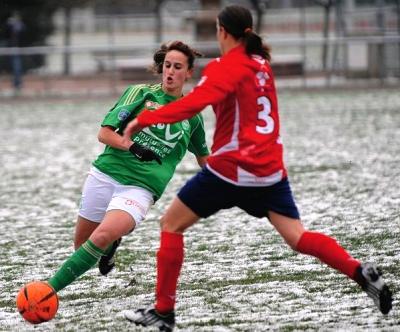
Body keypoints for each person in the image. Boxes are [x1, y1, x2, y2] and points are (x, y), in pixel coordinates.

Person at [122, 5, 393, 331]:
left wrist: (144, 119)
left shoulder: (225, 67)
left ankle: (163, 312)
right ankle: (358, 271)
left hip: (232, 168)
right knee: (297, 237)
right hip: (269, 171)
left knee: (171, 224)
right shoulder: (262, 64)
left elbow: (194, 103)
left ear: (222, 32)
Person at [43, 41, 209, 295]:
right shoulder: (140, 94)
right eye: (167, 65)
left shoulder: (192, 116)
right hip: (107, 174)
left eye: (178, 67)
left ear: (188, 73)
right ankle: (111, 246)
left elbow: (203, 157)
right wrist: (131, 146)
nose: (170, 72)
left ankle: (45, 292)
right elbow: (104, 134)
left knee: (100, 236)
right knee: (83, 247)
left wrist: (231, 174)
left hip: (140, 189)